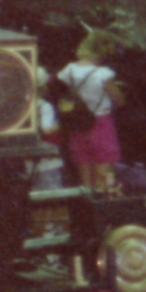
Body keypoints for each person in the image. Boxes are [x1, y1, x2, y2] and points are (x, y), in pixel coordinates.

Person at [58, 28, 126, 197]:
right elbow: (119, 100)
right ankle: (105, 205)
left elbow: (59, 86)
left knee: (85, 179)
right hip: (101, 124)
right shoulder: (104, 74)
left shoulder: (69, 70)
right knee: (104, 176)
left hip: (77, 125)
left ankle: (88, 206)